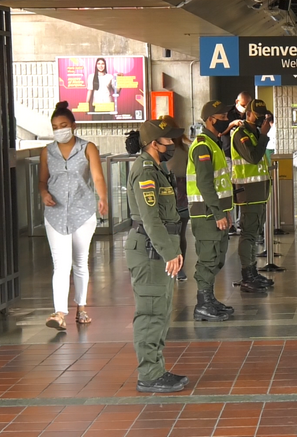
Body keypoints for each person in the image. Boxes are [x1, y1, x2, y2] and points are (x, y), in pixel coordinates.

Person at [123, 119, 187, 393]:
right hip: (151, 250)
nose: (172, 145)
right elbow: (151, 220)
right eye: (168, 140)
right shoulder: (146, 172)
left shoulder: (158, 169)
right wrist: (170, 251)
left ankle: (156, 368)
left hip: (158, 249)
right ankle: (149, 374)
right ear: (153, 143)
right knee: (150, 313)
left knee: (160, 311)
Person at [39, 101, 108, 330]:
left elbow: (97, 177)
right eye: (55, 126)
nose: (60, 130)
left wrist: (103, 198)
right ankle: (59, 313)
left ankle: (81, 307)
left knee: (80, 261)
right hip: (55, 213)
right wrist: (43, 193)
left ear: (73, 125)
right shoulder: (47, 152)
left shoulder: (88, 148)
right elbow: (42, 181)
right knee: (61, 263)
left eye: (64, 125)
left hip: (83, 211)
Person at [187, 102, 243, 323]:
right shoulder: (202, 145)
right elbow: (205, 183)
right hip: (206, 213)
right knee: (208, 258)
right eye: (221, 116)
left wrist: (225, 212)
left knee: (218, 258)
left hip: (216, 212)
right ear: (210, 119)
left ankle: (209, 299)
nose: (225, 120)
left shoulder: (214, 143)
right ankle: (203, 304)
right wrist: (219, 213)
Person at [230, 99, 276, 289]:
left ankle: (253, 272)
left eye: (262, 115)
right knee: (248, 234)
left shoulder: (255, 133)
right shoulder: (241, 134)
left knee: (255, 232)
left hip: (259, 192)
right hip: (248, 193)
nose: (260, 119)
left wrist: (262, 134)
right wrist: (264, 135)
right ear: (248, 113)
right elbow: (254, 157)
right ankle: (247, 275)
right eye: (257, 115)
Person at [161, 115, 191, 281]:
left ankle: (177, 266)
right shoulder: (185, 149)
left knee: (176, 233)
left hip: (177, 194)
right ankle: (177, 267)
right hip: (180, 194)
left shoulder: (180, 150)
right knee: (178, 234)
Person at [224, 92, 251, 235]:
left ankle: (242, 222)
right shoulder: (227, 114)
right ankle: (231, 223)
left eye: (247, 105)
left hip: (243, 157)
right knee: (230, 189)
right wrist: (232, 124)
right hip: (228, 155)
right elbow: (220, 132)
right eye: (243, 105)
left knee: (242, 190)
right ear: (236, 101)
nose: (245, 108)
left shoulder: (250, 114)